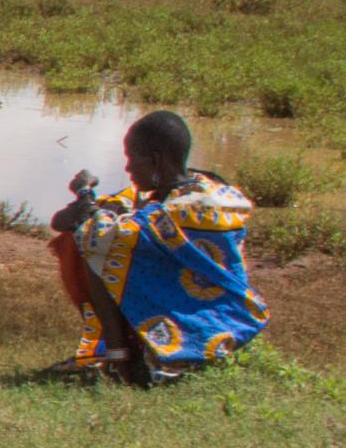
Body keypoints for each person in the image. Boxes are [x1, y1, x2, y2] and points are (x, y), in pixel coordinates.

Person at [50, 110, 267, 385]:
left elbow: (97, 233)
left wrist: (84, 194)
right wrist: (89, 204)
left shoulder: (175, 213)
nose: (127, 170)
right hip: (231, 325)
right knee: (91, 234)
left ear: (154, 159)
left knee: (94, 246)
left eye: (131, 160)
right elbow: (64, 220)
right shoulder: (217, 194)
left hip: (187, 331)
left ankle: (120, 360)